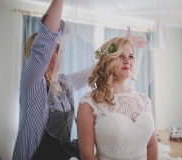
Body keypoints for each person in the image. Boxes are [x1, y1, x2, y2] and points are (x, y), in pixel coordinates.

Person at [12, 0, 93, 159]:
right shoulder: (33, 81)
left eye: (60, 46)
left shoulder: (65, 84)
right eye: (54, 47)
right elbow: (46, 38)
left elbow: (95, 71)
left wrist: (121, 48)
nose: (61, 49)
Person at [77, 37, 158, 160]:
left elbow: (152, 145)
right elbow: (86, 154)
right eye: (121, 56)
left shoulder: (144, 100)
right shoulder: (89, 102)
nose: (127, 61)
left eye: (131, 56)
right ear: (108, 61)